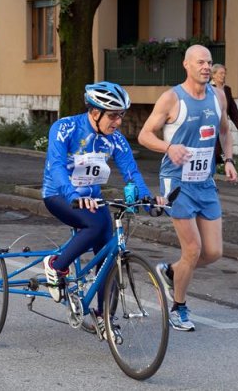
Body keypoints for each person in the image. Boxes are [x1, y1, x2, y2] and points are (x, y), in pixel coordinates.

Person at [42, 81, 165, 336]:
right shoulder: (65, 128)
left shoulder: (115, 139)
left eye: (121, 115)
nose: (118, 121)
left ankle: (103, 317)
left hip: (91, 200)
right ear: (94, 112)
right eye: (113, 115)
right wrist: (73, 194)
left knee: (107, 250)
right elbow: (55, 167)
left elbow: (131, 172)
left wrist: (147, 197)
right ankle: (56, 265)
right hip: (59, 195)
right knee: (96, 224)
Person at [138, 45, 238, 332]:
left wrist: (228, 160)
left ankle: (170, 272)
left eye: (209, 62)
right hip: (177, 182)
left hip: (205, 182)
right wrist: (169, 147)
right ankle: (178, 307)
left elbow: (224, 131)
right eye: (200, 62)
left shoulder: (218, 95)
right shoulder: (171, 98)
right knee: (192, 249)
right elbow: (144, 135)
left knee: (214, 252)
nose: (206, 67)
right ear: (186, 65)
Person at [210, 64, 238, 165]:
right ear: (213, 75)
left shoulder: (227, 90)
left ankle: (220, 164)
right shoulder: (208, 89)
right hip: (210, 123)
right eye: (220, 73)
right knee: (214, 150)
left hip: (222, 124)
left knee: (220, 148)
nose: (223, 75)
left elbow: (232, 109)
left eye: (224, 73)